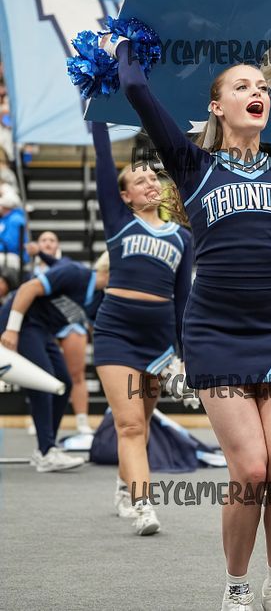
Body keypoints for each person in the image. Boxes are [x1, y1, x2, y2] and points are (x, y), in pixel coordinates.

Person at [101, 31, 271, 610]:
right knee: (251, 470)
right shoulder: (192, 165)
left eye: (262, 86)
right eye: (241, 86)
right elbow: (135, 85)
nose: (256, 91)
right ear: (216, 107)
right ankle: (236, 585)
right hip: (215, 337)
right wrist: (125, 44)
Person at [91, 120, 193, 536]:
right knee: (130, 424)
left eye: (154, 177)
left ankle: (123, 485)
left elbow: (183, 302)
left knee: (142, 423)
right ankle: (143, 504)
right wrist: (97, 114)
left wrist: (183, 357)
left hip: (158, 342)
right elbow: (102, 158)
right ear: (125, 196)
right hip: (116, 334)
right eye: (139, 179)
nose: (150, 183)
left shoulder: (182, 238)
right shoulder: (119, 220)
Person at [0, 260, 108, 471]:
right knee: (43, 383)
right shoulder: (74, 273)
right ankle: (46, 451)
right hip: (24, 323)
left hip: (44, 331)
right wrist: (11, 329)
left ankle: (46, 449)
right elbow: (28, 288)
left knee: (63, 383)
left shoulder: (99, 298)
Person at [25, 231, 93, 434]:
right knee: (40, 374)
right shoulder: (30, 272)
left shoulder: (66, 265)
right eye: (43, 240)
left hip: (69, 322)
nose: (47, 243)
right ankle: (39, 420)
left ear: (58, 245)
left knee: (76, 374)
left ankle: (82, 421)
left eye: (52, 240)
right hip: (44, 326)